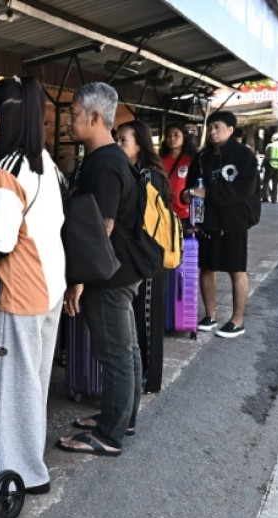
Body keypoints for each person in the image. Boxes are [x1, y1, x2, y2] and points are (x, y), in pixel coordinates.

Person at [0, 76, 65, 493]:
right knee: (33, 383)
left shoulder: (5, 170)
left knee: (13, 387)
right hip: (51, 285)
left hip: (21, 290)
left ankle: (16, 474)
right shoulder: (44, 161)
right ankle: (28, 462)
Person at [58, 82, 142, 457]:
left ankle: (109, 435)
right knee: (126, 350)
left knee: (115, 354)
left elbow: (101, 229)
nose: (68, 120)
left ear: (94, 117)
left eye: (73, 114)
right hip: (119, 270)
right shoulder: (105, 158)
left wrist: (77, 280)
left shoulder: (106, 164)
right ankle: (122, 418)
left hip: (109, 276)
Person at [180, 111, 258, 339]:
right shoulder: (202, 157)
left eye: (218, 128)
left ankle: (237, 321)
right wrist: (187, 194)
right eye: (210, 127)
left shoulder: (244, 156)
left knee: (237, 269)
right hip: (207, 221)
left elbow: (244, 190)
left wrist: (207, 192)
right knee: (206, 267)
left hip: (235, 222)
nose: (213, 132)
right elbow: (191, 186)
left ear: (230, 130)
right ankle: (210, 315)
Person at [117, 120, 170, 391]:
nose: (118, 145)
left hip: (148, 256)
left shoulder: (148, 175)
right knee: (139, 318)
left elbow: (146, 222)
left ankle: (148, 379)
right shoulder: (134, 171)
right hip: (142, 256)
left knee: (146, 319)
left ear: (139, 145)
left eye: (123, 140)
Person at [159, 122, 197, 224]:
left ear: (184, 137)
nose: (172, 138)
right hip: (165, 209)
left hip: (186, 211)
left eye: (176, 135)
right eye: (168, 135)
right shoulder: (160, 160)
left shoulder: (192, 159)